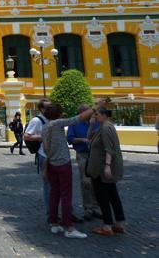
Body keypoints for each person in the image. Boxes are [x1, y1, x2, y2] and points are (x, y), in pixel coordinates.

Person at [42, 102, 101, 239]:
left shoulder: (45, 126)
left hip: (51, 164)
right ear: (57, 114)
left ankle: (54, 224)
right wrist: (96, 107)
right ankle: (69, 227)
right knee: (66, 196)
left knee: (54, 194)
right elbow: (78, 118)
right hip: (63, 164)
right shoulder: (57, 124)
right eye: (61, 112)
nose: (63, 114)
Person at [87, 107, 126, 236]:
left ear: (104, 115)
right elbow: (89, 140)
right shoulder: (104, 126)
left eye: (97, 114)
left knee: (103, 197)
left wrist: (107, 165)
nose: (95, 116)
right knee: (112, 195)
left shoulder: (105, 128)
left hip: (101, 170)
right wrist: (92, 125)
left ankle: (107, 226)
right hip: (102, 168)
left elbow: (109, 149)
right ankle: (119, 223)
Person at [67, 104, 100, 220]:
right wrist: (83, 140)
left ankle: (97, 207)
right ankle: (88, 208)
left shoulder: (96, 121)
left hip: (96, 155)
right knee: (86, 182)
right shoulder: (75, 123)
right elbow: (70, 139)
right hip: (83, 154)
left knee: (97, 181)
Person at [23, 98, 51, 214]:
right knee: (48, 184)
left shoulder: (51, 119)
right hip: (43, 155)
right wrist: (42, 137)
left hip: (53, 155)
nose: (49, 109)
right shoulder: (36, 120)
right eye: (47, 107)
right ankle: (51, 212)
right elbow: (26, 136)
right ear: (41, 109)